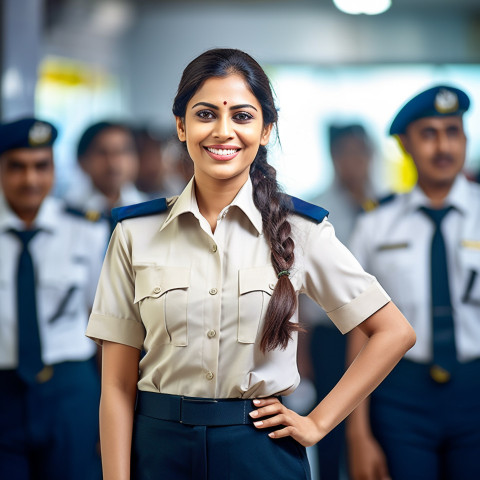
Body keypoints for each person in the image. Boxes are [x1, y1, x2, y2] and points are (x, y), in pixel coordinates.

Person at [85, 48, 415, 480]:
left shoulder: (301, 230)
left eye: (242, 116)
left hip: (259, 452)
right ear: (181, 126)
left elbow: (393, 332)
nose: (223, 132)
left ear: (265, 129)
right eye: (205, 115)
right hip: (158, 450)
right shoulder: (135, 233)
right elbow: (116, 385)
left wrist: (317, 422)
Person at [346, 85, 480, 480]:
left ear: (466, 139)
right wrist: (357, 434)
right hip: (399, 394)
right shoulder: (375, 225)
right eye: (429, 134)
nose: (443, 147)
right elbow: (360, 331)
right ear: (405, 145)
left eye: (452, 132)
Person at [0, 117, 109, 479]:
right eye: (16, 167)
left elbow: (105, 324)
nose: (30, 179)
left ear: (53, 169)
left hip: (71, 389)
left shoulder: (87, 230)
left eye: (40, 166)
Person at [299, 123, 379, 480]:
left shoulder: (388, 204)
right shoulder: (314, 208)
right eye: (345, 152)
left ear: (371, 154)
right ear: (333, 156)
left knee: (379, 422)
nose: (354, 161)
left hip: (379, 334)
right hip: (331, 335)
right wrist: (300, 349)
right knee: (329, 425)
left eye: (360, 152)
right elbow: (297, 288)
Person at [64, 120, 147, 230]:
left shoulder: (149, 210)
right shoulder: (68, 211)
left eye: (122, 151)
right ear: (82, 161)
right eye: (102, 152)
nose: (113, 162)